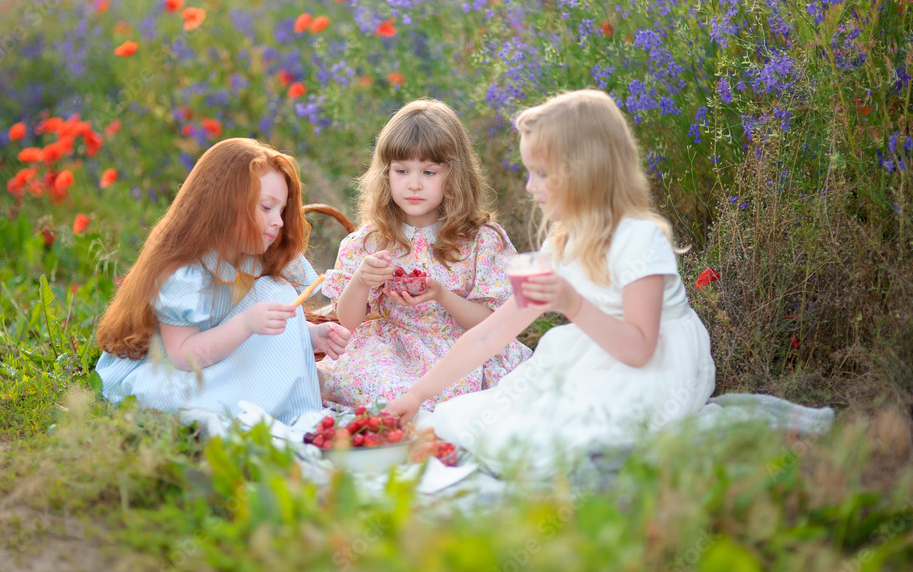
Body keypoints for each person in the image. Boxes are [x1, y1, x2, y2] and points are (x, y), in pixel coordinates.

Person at [384, 90, 716, 473]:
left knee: (571, 438)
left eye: (541, 174)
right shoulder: (563, 245)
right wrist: (418, 393)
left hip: (655, 365)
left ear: (586, 171)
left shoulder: (639, 239)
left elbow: (640, 349)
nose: (529, 186)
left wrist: (572, 304)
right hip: (596, 354)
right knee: (492, 420)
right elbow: (491, 333)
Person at [95, 138, 351, 424]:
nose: (278, 221)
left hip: (221, 359)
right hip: (176, 372)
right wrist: (246, 324)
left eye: (281, 211)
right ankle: (266, 413)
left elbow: (254, 327)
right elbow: (182, 355)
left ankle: (289, 412)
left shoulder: (254, 259)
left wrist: (312, 335)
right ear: (225, 206)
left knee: (274, 291)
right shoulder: (186, 272)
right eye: (267, 208)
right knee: (176, 400)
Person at [318, 99, 533, 411]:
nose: (414, 184)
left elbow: (494, 323)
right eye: (402, 170)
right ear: (386, 174)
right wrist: (362, 281)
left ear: (454, 176)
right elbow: (348, 322)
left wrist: (442, 295)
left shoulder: (480, 241)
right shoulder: (369, 241)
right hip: (392, 350)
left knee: (473, 396)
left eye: (429, 172)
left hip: (462, 350)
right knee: (373, 385)